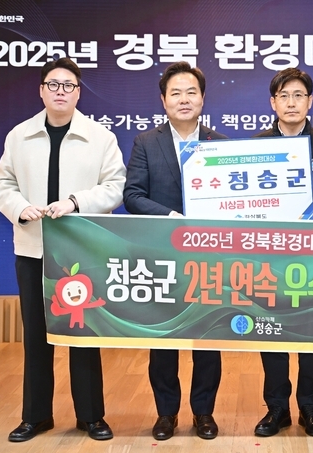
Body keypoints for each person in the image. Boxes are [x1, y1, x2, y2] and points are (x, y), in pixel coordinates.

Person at [0, 57, 126, 442]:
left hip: (81, 251)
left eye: (68, 85)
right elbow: (2, 183)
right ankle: (36, 416)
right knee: (36, 336)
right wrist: (20, 208)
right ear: (41, 90)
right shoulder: (19, 136)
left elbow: (115, 186)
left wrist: (75, 202)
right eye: (53, 84)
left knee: (83, 336)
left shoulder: (100, 137)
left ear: (79, 92)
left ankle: (91, 416)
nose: (60, 91)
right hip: (33, 249)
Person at [123, 61, 227, 441]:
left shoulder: (221, 144)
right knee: (163, 339)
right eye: (176, 93)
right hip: (162, 254)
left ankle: (204, 412)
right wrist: (172, 217)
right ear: (163, 100)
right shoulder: (146, 142)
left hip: (208, 256)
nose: (184, 99)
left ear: (203, 98)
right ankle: (166, 413)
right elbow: (132, 195)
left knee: (207, 338)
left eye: (191, 92)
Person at [252, 68, 313, 437]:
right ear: (272, 102)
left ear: (310, 102)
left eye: (298, 95)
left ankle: (310, 407)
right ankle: (276, 408)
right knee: (272, 330)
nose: (291, 103)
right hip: (269, 258)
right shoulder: (257, 146)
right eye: (284, 96)